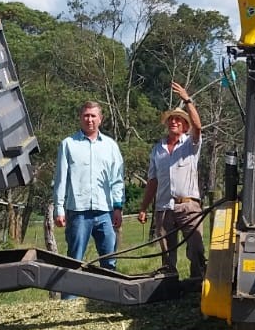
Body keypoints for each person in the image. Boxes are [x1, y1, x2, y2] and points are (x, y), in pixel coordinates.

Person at [134, 81, 206, 279]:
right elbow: (152, 181)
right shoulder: (158, 150)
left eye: (178, 120)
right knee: (167, 254)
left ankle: (197, 284)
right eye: (171, 119)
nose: (174, 122)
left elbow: (198, 127)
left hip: (188, 206)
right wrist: (143, 208)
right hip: (164, 208)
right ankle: (169, 285)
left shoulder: (190, 144)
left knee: (196, 249)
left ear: (185, 126)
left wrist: (187, 99)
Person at [51, 100, 126, 273]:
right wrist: (59, 209)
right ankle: (71, 291)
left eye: (93, 116)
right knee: (74, 261)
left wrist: (118, 207)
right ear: (80, 118)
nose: (89, 119)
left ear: (100, 119)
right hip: (78, 211)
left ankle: (108, 291)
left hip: (105, 212)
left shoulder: (110, 146)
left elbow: (117, 180)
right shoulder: (68, 144)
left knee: (109, 261)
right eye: (86, 116)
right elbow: (61, 179)